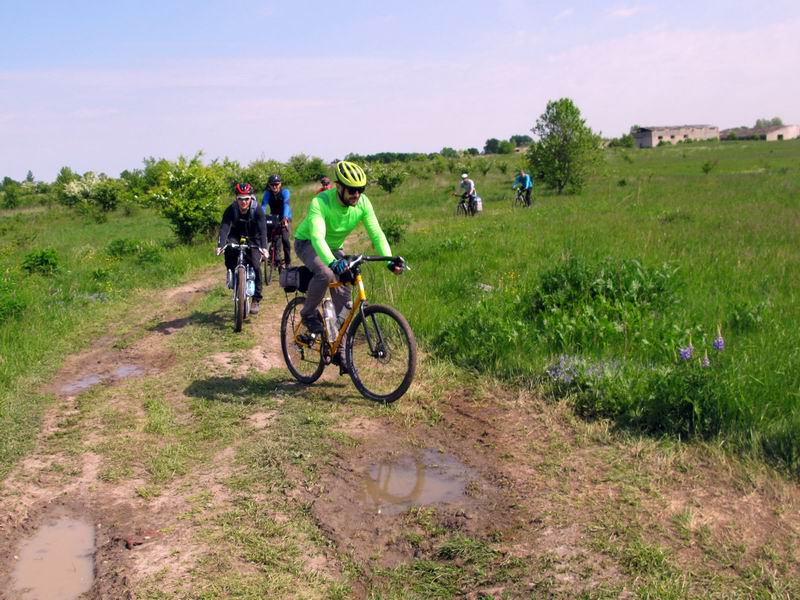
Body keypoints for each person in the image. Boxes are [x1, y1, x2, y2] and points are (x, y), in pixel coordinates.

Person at [293, 161, 404, 369]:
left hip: (334, 246)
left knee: (344, 295)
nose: (357, 195)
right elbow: (317, 237)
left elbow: (377, 233)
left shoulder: (363, 203)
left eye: (360, 190)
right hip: (308, 242)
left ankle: (339, 348)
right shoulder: (320, 202)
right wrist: (333, 263)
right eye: (352, 190)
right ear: (339, 187)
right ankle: (308, 314)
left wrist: (389, 260)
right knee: (326, 273)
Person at [216, 183, 267, 315]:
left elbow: (262, 230)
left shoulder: (257, 209)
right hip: (236, 235)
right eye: (240, 199)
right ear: (236, 199)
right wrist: (221, 245)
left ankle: (256, 299)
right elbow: (224, 227)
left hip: (253, 237)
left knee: (256, 265)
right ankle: (234, 277)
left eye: (246, 199)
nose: (243, 202)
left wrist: (264, 248)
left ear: (251, 198)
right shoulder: (231, 209)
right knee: (229, 253)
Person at [261, 174, 292, 266]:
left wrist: (285, 218)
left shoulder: (285, 192)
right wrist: (260, 217)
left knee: (285, 239)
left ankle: (288, 262)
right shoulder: (267, 193)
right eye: (272, 184)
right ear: (269, 185)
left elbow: (286, 204)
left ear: (280, 184)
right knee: (272, 236)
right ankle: (273, 256)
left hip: (285, 216)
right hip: (274, 216)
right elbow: (263, 205)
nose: (274, 186)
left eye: (276, 184)